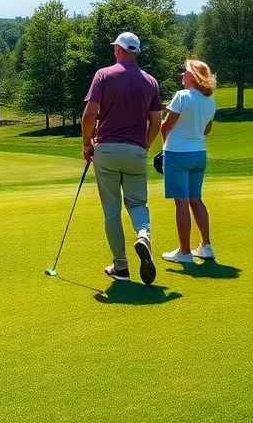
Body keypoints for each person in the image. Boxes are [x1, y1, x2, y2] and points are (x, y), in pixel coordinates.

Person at [82, 32, 162, 285]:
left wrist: (86, 142)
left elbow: (90, 113)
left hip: (107, 149)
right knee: (137, 204)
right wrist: (144, 146)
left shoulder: (103, 75)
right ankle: (143, 236)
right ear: (136, 52)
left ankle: (121, 267)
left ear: (118, 50)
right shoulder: (151, 82)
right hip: (136, 151)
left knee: (112, 211)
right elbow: (156, 122)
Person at [158, 59, 218, 263]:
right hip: (199, 154)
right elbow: (206, 130)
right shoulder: (210, 101)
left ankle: (184, 253)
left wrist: (165, 147)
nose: (182, 75)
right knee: (195, 199)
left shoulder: (181, 96)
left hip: (177, 154)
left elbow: (165, 125)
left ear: (194, 76)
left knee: (181, 203)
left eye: (185, 72)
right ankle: (205, 246)